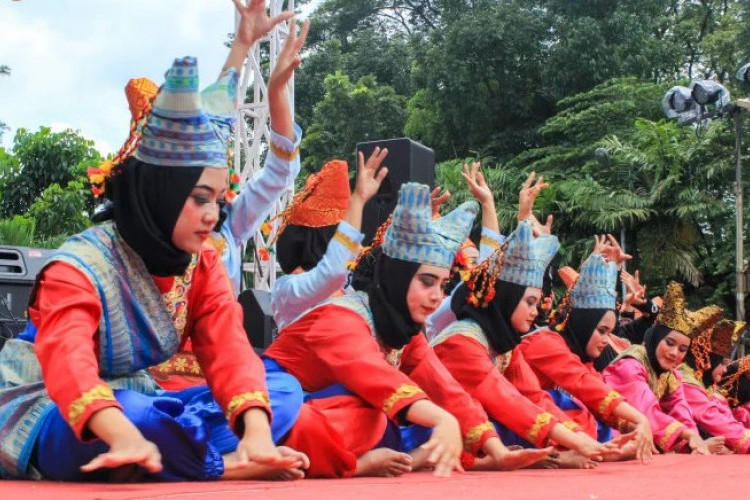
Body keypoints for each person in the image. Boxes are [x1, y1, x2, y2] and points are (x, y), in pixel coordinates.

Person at [0, 1, 309, 481]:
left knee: (282, 392)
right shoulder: (80, 265)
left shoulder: (201, 261)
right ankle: (212, 465)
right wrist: (122, 431)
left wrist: (257, 433)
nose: (214, 215)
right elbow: (69, 362)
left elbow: (229, 349)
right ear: (157, 195)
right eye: (200, 198)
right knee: (139, 422)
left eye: (220, 199)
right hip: (52, 399)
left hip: (143, 394)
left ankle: (190, 454)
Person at [264, 183, 552, 478]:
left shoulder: (404, 332)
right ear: (397, 277)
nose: (438, 296)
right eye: (427, 282)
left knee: (395, 418)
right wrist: (444, 420)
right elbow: (377, 377)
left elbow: (446, 390)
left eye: (442, 285)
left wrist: (498, 451)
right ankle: (357, 464)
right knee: (373, 415)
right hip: (275, 402)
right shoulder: (342, 318)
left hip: (336, 412)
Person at [430, 174, 630, 468]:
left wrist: (583, 440)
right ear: (507, 298)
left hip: (491, 421)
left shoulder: (504, 344)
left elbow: (531, 395)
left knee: (565, 411)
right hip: (431, 429)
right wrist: (581, 441)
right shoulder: (468, 340)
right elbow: (509, 398)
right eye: (530, 302)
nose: (537, 310)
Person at [518, 235, 654, 461]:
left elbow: (593, 387)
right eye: (601, 331)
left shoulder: (580, 355)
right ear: (583, 324)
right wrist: (640, 419)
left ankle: (600, 448)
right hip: (515, 413)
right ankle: (597, 451)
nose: (605, 340)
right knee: (562, 404)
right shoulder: (545, 342)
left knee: (582, 411)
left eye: (609, 333)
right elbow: (581, 382)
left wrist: (626, 423)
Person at [270, 147, 388, 331]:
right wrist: (358, 199)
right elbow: (330, 273)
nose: (357, 244)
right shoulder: (289, 289)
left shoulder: (347, 286)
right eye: (346, 236)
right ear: (326, 241)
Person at [602, 282, 725, 454]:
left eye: (683, 349)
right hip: (599, 432)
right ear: (656, 337)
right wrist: (688, 435)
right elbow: (645, 410)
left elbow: (681, 412)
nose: (675, 353)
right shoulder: (631, 363)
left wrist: (695, 443)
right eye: (669, 343)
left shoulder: (670, 376)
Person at [679, 319, 750, 452]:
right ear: (708, 359)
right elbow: (713, 418)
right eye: (722, 363)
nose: (725, 370)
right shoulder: (687, 382)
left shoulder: (705, 386)